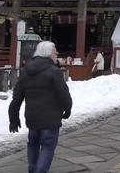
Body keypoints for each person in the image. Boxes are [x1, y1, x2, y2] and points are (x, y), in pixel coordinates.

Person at [8, 41, 72, 173]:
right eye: (55, 51)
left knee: (33, 144)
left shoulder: (25, 72)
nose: (57, 54)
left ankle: (32, 169)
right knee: (48, 147)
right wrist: (68, 108)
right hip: (51, 118)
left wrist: (13, 119)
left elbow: (17, 99)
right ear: (48, 53)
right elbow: (64, 94)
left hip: (32, 118)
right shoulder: (54, 71)